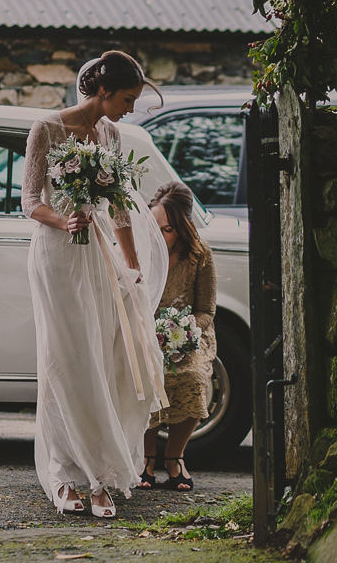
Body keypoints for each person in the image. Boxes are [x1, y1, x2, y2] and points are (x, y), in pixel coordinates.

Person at [22, 50, 169, 518]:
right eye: (127, 98)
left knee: (102, 360)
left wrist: (132, 265)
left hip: (101, 254)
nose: (130, 108)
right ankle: (64, 472)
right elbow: (29, 201)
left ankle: (99, 471)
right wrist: (62, 219)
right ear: (103, 90)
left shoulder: (110, 132)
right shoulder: (46, 128)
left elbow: (122, 205)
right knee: (66, 358)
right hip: (58, 254)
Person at [138, 182, 217, 492]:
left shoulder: (200, 255)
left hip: (188, 336)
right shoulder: (139, 251)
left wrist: (183, 333)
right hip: (144, 333)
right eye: (154, 227)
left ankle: (174, 458)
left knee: (194, 376)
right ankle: (146, 457)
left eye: (167, 229)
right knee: (143, 374)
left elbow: (206, 310)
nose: (159, 236)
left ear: (183, 227)